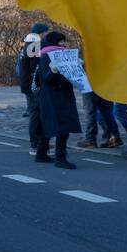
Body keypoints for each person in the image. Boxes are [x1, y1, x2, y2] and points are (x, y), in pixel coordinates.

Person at [33, 30, 81, 169]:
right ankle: (60, 158)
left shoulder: (61, 54)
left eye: (64, 41)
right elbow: (46, 78)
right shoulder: (46, 56)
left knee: (47, 126)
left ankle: (41, 154)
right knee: (62, 128)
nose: (64, 44)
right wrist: (53, 70)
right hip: (53, 97)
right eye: (61, 41)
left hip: (60, 95)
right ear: (54, 42)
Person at [18, 23, 47, 154]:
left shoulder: (28, 43)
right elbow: (35, 68)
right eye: (46, 32)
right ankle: (35, 145)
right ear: (41, 32)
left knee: (35, 114)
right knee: (35, 114)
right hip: (32, 86)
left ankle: (38, 143)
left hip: (28, 84)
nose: (47, 34)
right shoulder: (34, 45)